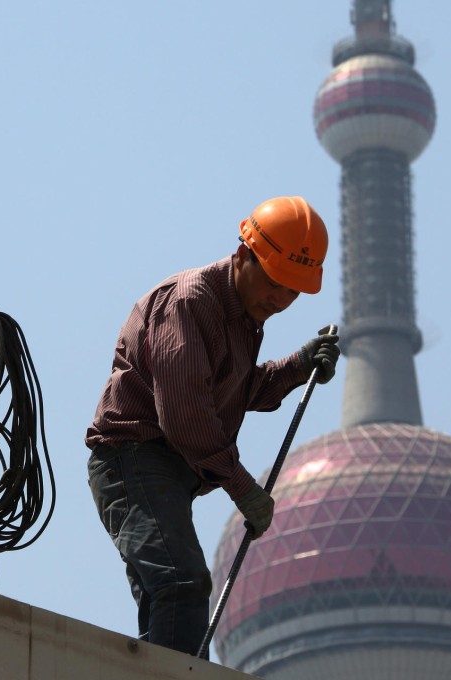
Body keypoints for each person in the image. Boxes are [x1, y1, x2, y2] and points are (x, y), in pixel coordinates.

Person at [84, 195, 340, 655]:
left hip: (165, 470)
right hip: (134, 460)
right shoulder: (191, 302)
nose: (280, 300)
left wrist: (298, 366)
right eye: (275, 282)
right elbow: (185, 416)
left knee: (167, 600)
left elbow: (232, 393)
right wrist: (242, 487)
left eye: (293, 292)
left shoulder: (244, 315)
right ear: (244, 255)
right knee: (181, 583)